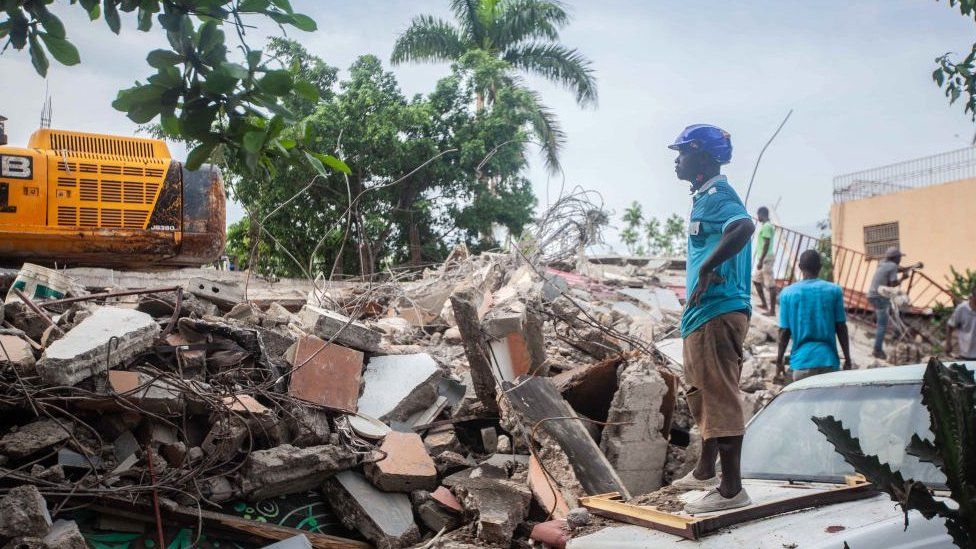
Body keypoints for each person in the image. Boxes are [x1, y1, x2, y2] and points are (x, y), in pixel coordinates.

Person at [666, 124, 755, 514]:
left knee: (718, 391)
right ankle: (705, 470)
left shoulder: (719, 195)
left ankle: (732, 489)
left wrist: (707, 269)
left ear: (701, 156)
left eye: (683, 152)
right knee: (703, 389)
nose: (677, 159)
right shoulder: (704, 198)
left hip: (718, 309)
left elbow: (744, 226)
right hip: (706, 312)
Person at [775, 250, 852, 382]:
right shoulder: (834, 290)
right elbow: (841, 327)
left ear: (800, 267)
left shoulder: (787, 293)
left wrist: (779, 361)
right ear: (820, 267)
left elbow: (784, 332)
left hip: (801, 363)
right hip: (829, 362)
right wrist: (847, 359)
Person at [867, 247, 911, 360]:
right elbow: (893, 284)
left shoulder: (882, 263)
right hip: (880, 296)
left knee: (888, 313)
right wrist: (903, 278)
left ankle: (896, 332)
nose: (900, 259)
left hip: (872, 295)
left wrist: (908, 268)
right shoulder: (892, 266)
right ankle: (877, 350)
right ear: (895, 258)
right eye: (899, 257)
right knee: (882, 324)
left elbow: (896, 269)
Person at [752, 206, 776, 316]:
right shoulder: (766, 226)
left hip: (766, 258)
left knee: (770, 284)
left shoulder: (766, 226)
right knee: (756, 280)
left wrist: (760, 260)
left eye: (758, 215)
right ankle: (765, 304)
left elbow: (766, 243)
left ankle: (772, 311)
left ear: (762, 214)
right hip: (764, 258)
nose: (758, 218)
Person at [946, 290, 976, 360]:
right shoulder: (962, 309)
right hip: (965, 353)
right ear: (972, 297)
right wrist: (948, 343)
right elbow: (950, 325)